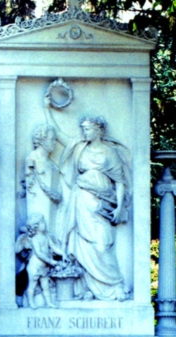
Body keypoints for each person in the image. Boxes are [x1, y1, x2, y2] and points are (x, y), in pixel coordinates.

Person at [50, 112, 131, 302]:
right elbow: (59, 134)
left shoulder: (109, 153)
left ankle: (115, 285)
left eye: (87, 129)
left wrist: (119, 207)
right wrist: (48, 109)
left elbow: (119, 181)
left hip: (102, 203)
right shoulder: (80, 148)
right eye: (83, 129)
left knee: (102, 245)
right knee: (82, 244)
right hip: (82, 200)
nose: (84, 132)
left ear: (98, 130)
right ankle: (86, 288)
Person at [15, 213, 62, 308]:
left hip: (44, 268)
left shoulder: (46, 237)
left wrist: (63, 254)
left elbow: (54, 247)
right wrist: (51, 261)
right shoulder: (35, 239)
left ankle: (49, 303)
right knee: (32, 285)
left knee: (45, 287)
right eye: (42, 222)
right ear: (35, 227)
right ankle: (31, 302)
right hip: (34, 267)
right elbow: (39, 253)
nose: (45, 224)